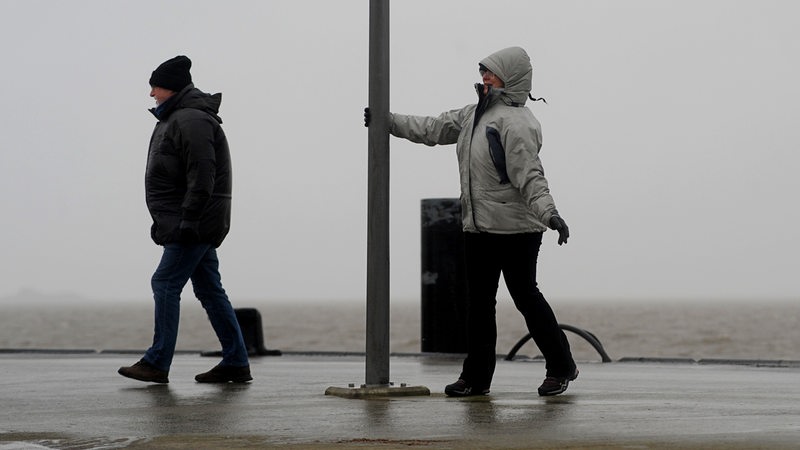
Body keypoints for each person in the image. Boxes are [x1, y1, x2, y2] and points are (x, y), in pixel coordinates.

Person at [364, 46, 577, 396]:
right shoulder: (472, 115)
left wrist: (550, 214)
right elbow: (431, 129)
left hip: (518, 230)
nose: (484, 77)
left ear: (511, 78)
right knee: (479, 304)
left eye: (492, 72)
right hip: (477, 228)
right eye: (483, 72)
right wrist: (386, 121)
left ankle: (561, 366)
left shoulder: (518, 123)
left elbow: (530, 176)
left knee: (525, 297)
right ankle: (476, 379)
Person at [118, 55, 251, 384]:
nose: (151, 93)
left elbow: (202, 174)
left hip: (193, 221)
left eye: (156, 86)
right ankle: (236, 361)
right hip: (186, 219)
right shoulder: (175, 118)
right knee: (209, 290)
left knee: (164, 283)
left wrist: (189, 219)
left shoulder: (190, 119)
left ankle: (157, 361)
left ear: (172, 88)